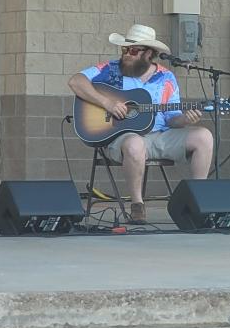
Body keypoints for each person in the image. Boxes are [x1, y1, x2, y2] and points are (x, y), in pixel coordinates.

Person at [68, 23, 213, 224]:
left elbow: (173, 119)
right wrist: (107, 103)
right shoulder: (110, 70)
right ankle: (137, 205)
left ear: (149, 54)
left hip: (161, 137)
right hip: (123, 137)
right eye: (125, 49)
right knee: (135, 143)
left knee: (203, 136)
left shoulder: (166, 78)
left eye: (133, 50)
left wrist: (185, 119)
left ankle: (199, 201)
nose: (127, 54)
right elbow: (76, 82)